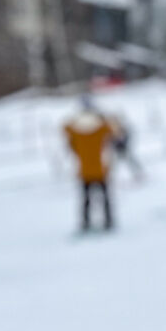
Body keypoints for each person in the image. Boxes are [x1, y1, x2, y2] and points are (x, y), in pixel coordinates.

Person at [64, 98, 114, 232]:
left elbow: (66, 128)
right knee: (105, 198)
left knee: (86, 200)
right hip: (100, 169)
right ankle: (108, 221)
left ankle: (86, 223)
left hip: (84, 171)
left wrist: (75, 120)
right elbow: (111, 129)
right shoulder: (100, 129)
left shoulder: (75, 131)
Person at [108, 113, 145, 181]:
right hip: (117, 150)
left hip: (124, 148)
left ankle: (139, 174)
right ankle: (110, 178)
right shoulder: (110, 129)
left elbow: (127, 137)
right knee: (114, 165)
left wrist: (124, 143)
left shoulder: (122, 128)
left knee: (131, 161)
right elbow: (110, 140)